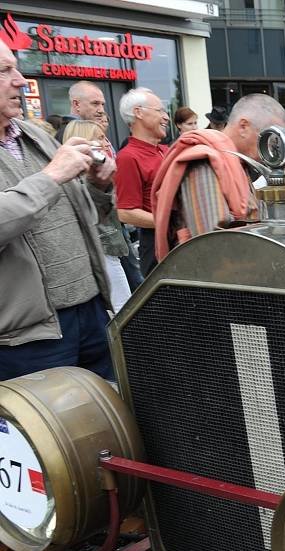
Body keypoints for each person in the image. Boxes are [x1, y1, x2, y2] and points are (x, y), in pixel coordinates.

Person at [0, 39, 117, 381]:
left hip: (91, 310)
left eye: (16, 68)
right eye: (5, 71)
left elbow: (83, 214)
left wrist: (98, 185)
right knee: (46, 433)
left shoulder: (34, 135)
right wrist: (52, 175)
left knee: (109, 423)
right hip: (28, 339)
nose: (21, 80)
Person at [152, 93, 285, 262]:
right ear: (244, 126)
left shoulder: (235, 161)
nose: (273, 147)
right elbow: (213, 248)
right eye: (269, 137)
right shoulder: (204, 162)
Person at [63, 119, 132, 314]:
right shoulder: (81, 177)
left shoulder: (97, 172)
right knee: (122, 307)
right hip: (103, 248)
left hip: (109, 246)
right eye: (99, 138)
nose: (105, 142)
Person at [115, 87, 169, 276]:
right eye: (160, 111)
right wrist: (168, 222)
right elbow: (126, 213)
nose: (166, 117)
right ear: (138, 112)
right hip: (157, 246)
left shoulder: (165, 150)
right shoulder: (128, 157)